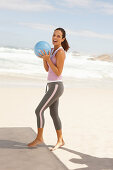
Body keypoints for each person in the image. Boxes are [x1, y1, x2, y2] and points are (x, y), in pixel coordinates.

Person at [27, 27, 70, 151]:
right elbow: (47, 69)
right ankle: (60, 140)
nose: (55, 38)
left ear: (63, 39)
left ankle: (39, 138)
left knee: (38, 110)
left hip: (57, 86)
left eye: (58, 36)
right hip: (51, 85)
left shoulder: (61, 52)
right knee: (54, 114)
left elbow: (58, 72)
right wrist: (44, 60)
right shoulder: (50, 50)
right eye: (53, 35)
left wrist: (48, 60)